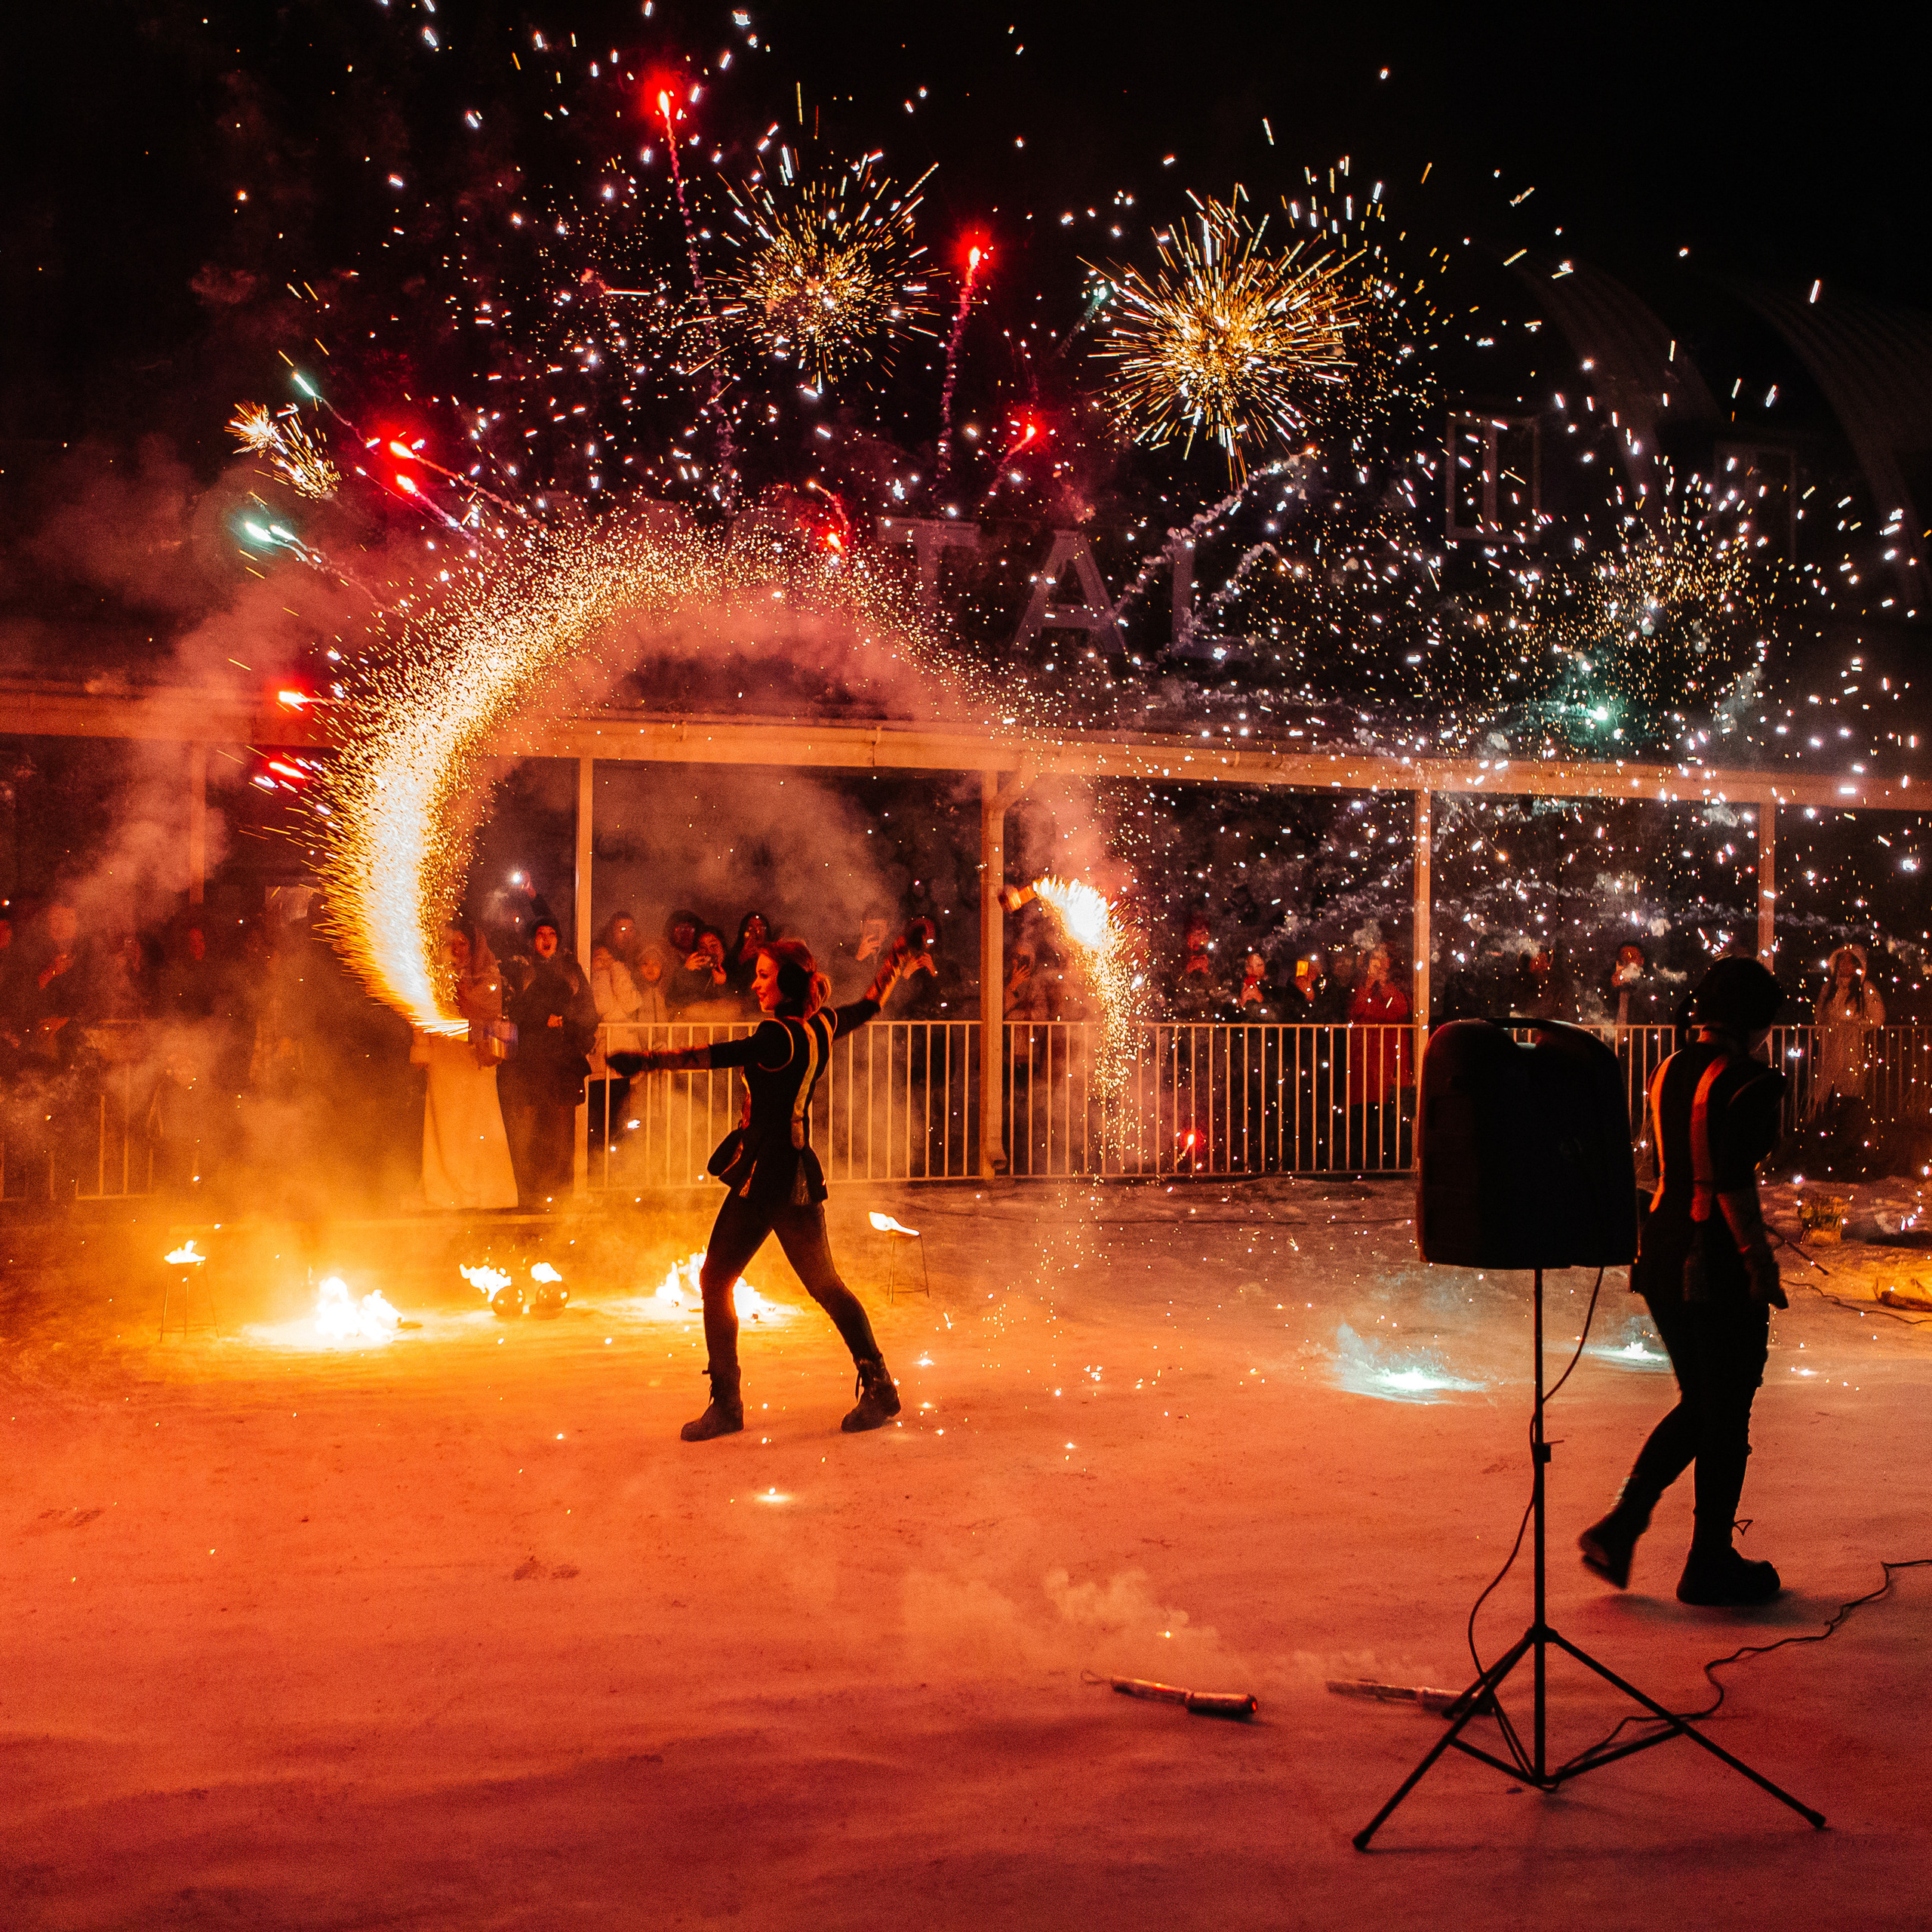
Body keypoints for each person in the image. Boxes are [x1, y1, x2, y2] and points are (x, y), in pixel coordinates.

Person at [608, 924, 932, 1440]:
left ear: (786, 980)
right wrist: (896, 956)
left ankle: (729, 1405)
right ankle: (878, 1385)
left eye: (763, 976)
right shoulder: (820, 1026)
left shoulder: (775, 1035)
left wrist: (648, 1062)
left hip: (769, 1176)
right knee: (822, 1285)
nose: (755, 985)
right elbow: (870, 1004)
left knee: (717, 1280)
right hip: (793, 1171)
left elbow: (718, 1055)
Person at [1579, 956, 1789, 1608]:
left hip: (1661, 1249)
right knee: (1725, 1410)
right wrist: (1759, 1262)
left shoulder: (1668, 1069)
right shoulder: (1753, 1082)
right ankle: (1708, 1562)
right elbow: (1731, 1182)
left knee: (1702, 1402)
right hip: (1713, 1257)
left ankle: (1624, 1525)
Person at [413, 918, 518, 1211]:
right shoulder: (433, 973)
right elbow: (419, 1010)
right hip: (444, 1055)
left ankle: (482, 1187)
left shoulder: (486, 972)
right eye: (452, 943)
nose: (458, 949)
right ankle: (446, 1186)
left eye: (464, 943)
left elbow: (490, 1008)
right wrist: (421, 1047)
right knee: (445, 1121)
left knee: (479, 1122)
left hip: (475, 1057)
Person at [502, 916, 598, 1203]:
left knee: (561, 1125)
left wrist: (567, 1025)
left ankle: (560, 1188)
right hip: (530, 1057)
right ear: (532, 939)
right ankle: (526, 1188)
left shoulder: (571, 970)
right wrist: (541, 1019)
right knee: (527, 1123)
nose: (546, 938)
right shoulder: (521, 969)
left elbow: (588, 1010)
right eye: (540, 933)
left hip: (563, 1057)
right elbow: (514, 1008)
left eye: (552, 933)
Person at [1346, 946, 1412, 1165]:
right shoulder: (1360, 985)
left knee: (1391, 1115)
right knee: (1365, 1115)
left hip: (1390, 1059)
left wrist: (1384, 986)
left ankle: (1392, 1163)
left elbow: (1401, 1009)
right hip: (1366, 1059)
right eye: (1373, 958)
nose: (1377, 963)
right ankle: (1367, 1163)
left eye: (1381, 958)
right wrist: (1368, 985)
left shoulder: (1399, 985)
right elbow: (1356, 1010)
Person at [1811, 943, 1884, 1113]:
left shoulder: (1866, 989)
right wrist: (1825, 1031)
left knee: (1849, 1093)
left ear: (1858, 965)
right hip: (1829, 1049)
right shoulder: (1828, 988)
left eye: (1849, 961)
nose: (1844, 964)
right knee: (1824, 1092)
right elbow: (1819, 1016)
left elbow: (1878, 1018)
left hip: (1852, 1049)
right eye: (1841, 960)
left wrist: (1854, 1027)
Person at [1169, 909, 1226, 1020]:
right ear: (1187, 936)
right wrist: (1187, 972)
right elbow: (1173, 993)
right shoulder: (1177, 959)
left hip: (1212, 1021)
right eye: (1195, 933)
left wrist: (1206, 973)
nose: (1199, 939)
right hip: (1183, 1019)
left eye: (1203, 934)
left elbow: (1220, 997)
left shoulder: (1217, 960)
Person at [726, 912, 771, 1005]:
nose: (755, 932)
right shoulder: (734, 957)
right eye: (751, 928)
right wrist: (741, 960)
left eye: (760, 928)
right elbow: (728, 986)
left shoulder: (775, 956)